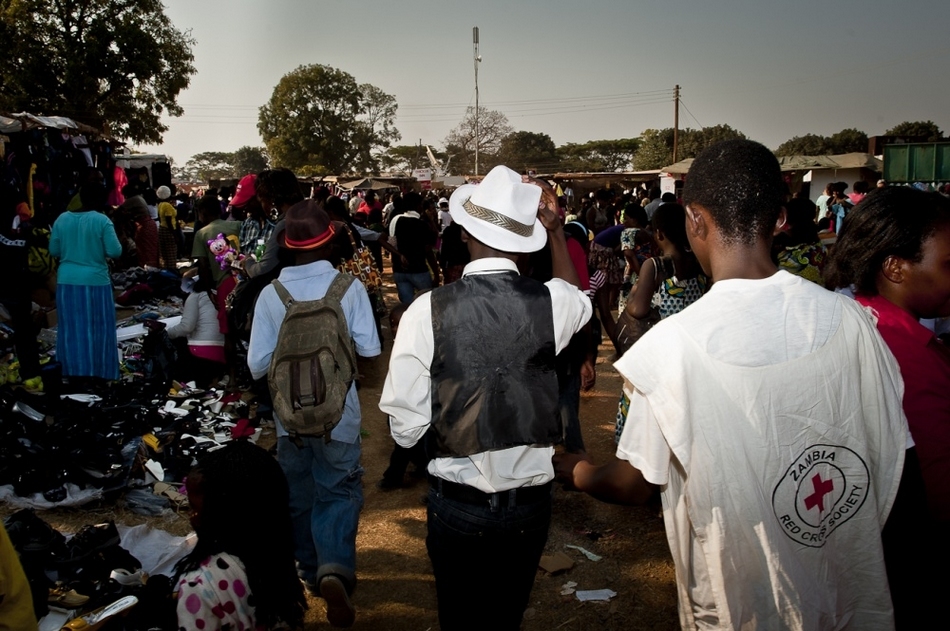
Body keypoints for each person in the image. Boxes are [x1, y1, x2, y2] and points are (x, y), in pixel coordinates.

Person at [556, 139, 910, 629]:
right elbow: (895, 456)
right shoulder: (853, 323)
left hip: (740, 609)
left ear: (694, 220)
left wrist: (571, 467)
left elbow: (631, 484)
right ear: (781, 219)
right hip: (849, 600)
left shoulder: (670, 349)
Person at [380, 165, 591, 631]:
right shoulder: (549, 304)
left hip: (458, 503)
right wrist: (556, 234)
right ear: (525, 240)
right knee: (507, 616)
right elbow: (576, 296)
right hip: (530, 505)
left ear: (466, 234)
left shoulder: (425, 311)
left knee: (460, 618)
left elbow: (406, 425)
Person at [248, 200, 381, 628]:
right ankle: (335, 568)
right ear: (330, 240)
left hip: (290, 423)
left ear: (287, 245)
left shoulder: (271, 294)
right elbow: (371, 349)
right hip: (340, 416)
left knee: (300, 496)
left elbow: (256, 364)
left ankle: (309, 571)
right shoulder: (348, 287)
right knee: (338, 490)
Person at [825, 187, 950, 522]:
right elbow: (937, 484)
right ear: (895, 268)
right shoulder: (907, 357)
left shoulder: (856, 316)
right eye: (949, 264)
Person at [175, 440, 306, 631]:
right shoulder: (274, 556)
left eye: (195, 508)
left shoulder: (200, 585)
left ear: (229, 513)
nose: (191, 517)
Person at [49, 180, 123, 381]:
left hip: (66, 281)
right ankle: (99, 372)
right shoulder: (102, 221)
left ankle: (72, 371)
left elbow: (54, 250)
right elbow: (115, 251)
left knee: (71, 328)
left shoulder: (62, 219)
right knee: (98, 329)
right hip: (96, 281)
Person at [388, 191, 440, 305]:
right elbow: (429, 250)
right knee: (427, 304)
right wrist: (436, 274)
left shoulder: (395, 220)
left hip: (399, 270)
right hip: (419, 270)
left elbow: (389, 243)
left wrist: (399, 255)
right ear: (418, 206)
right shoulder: (422, 225)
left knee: (407, 306)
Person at [156, 185, 180, 272]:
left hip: (162, 229)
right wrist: (175, 235)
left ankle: (165, 270)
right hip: (168, 230)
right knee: (171, 253)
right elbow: (169, 221)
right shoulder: (168, 206)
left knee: (164, 253)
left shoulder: (160, 204)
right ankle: (172, 271)